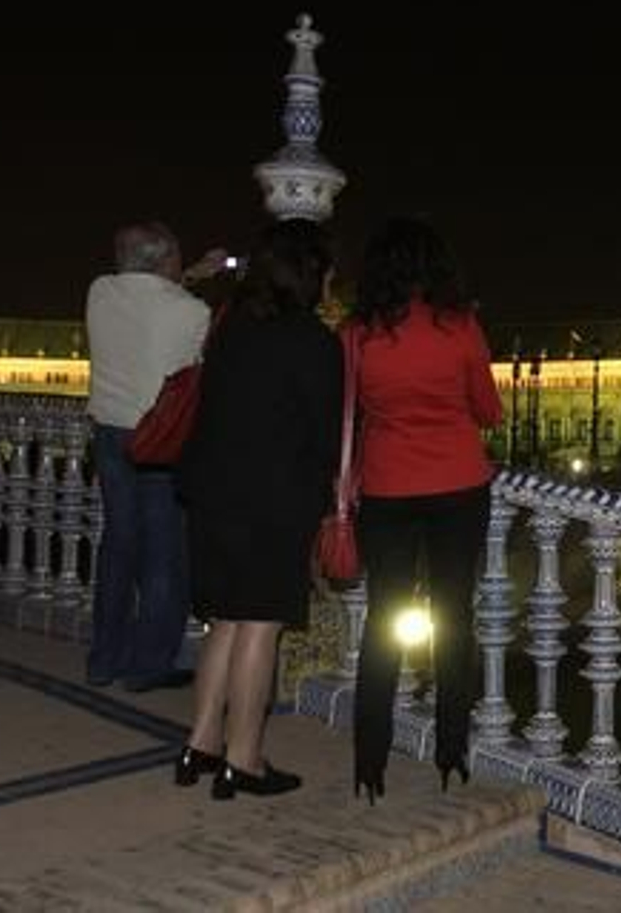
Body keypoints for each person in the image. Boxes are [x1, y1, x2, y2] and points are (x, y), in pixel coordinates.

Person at [175, 219, 342, 798]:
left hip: (212, 491)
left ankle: (200, 742)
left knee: (223, 618)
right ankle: (243, 758)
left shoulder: (232, 328)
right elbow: (324, 437)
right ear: (311, 273)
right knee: (260, 627)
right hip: (272, 497)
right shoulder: (314, 342)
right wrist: (327, 504)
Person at [349, 216, 503, 804]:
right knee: (454, 617)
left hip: (387, 486)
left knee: (384, 619)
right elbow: (489, 411)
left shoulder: (358, 334)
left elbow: (350, 408)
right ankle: (450, 753)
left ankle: (369, 762)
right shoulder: (459, 326)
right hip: (459, 484)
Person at [84, 221, 226, 692]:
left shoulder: (99, 292)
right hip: (160, 440)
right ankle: (148, 663)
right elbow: (189, 346)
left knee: (119, 544)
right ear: (166, 260)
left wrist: (189, 273)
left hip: (109, 433)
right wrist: (195, 280)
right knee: (164, 553)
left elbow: (146, 298)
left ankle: (104, 659)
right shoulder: (192, 312)